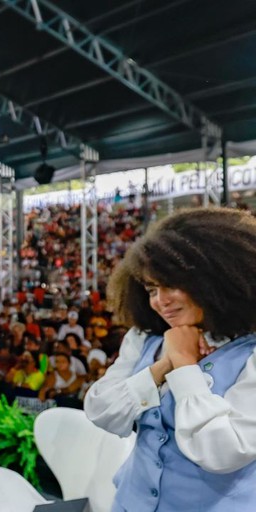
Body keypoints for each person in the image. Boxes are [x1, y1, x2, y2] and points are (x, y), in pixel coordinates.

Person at [84, 208, 256, 511]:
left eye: (171, 285)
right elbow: (100, 409)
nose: (160, 301)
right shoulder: (144, 338)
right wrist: (163, 366)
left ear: (218, 279)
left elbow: (223, 451)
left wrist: (186, 366)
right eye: (151, 289)